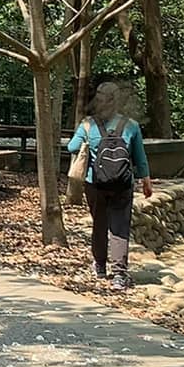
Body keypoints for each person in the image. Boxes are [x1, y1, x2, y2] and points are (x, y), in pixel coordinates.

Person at [65, 80, 152, 290]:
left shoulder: (88, 124)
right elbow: (140, 158)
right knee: (119, 227)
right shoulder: (131, 125)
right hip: (123, 184)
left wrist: (85, 138)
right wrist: (146, 182)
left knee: (99, 224)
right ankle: (120, 275)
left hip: (95, 184)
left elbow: (71, 147)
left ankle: (100, 267)